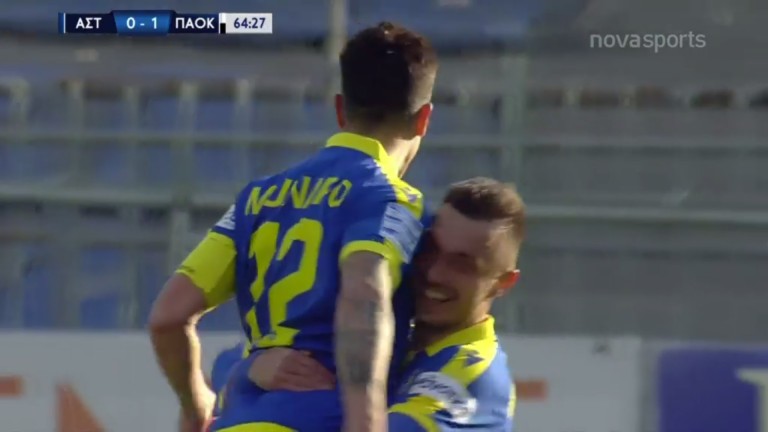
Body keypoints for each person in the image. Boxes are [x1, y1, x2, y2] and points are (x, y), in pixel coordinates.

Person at [147, 21, 439, 432]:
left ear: (340, 109)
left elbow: (168, 317)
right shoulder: (392, 199)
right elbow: (364, 293)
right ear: (423, 120)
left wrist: (196, 408)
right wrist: (365, 422)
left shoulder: (259, 197)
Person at [250, 178, 524, 431]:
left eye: (462, 265)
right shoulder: (385, 334)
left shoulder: (472, 375)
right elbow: (231, 365)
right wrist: (254, 368)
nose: (434, 273)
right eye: (429, 249)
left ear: (503, 284)